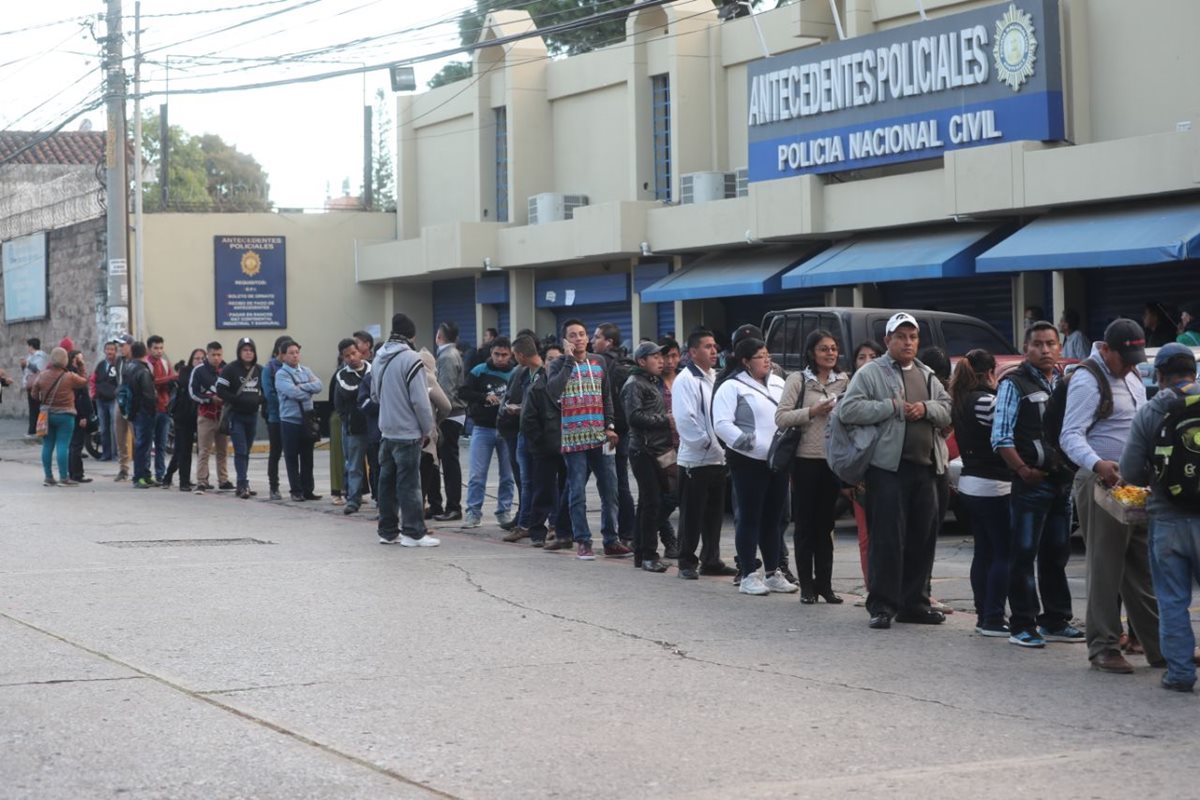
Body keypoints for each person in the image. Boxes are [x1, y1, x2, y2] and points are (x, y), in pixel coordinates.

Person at [838, 312, 952, 629]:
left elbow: (947, 408)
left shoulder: (927, 374)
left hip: (927, 468)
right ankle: (882, 605)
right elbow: (848, 409)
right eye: (900, 336)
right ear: (888, 340)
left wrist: (925, 408)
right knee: (887, 539)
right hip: (887, 469)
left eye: (912, 337)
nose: (907, 342)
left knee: (922, 538)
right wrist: (889, 407)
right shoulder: (871, 373)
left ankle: (914, 603)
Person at [1061, 318, 1160, 674]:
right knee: (1106, 566)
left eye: (1136, 358)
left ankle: (1159, 646)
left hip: (1131, 483)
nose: (1132, 365)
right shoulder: (1089, 379)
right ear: (1106, 349)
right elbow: (1070, 435)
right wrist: (1098, 463)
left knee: (1142, 565)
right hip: (1100, 482)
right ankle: (1103, 646)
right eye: (1126, 357)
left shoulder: (1131, 376)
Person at [991, 321, 1081, 647]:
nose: (1045, 350)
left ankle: (1056, 620)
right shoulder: (1014, 384)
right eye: (1038, 344)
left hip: (1062, 483)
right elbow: (1000, 437)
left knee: (1057, 554)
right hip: (1031, 484)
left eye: (1051, 343)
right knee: (1024, 553)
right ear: (1025, 349)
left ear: (1060, 347)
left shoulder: (1065, 383)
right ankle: (1022, 625)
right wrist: (1022, 470)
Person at [1119, 343, 1200, 692]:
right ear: (1194, 372)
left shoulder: (1152, 410)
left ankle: (1180, 674)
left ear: (1161, 375)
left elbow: (1131, 471)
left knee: (1172, 599)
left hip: (1167, 517)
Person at [711, 337, 796, 596]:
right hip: (748, 461)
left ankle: (772, 572)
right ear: (745, 361)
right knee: (749, 517)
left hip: (777, 460)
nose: (767, 360)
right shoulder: (731, 387)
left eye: (768, 355)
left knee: (773, 518)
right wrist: (748, 443)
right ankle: (748, 573)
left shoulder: (779, 383)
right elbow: (722, 424)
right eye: (760, 356)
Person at [546, 319, 632, 560]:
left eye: (582, 334)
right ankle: (583, 541)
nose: (579, 339)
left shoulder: (600, 361)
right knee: (577, 493)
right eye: (573, 335)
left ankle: (611, 540)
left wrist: (610, 425)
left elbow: (607, 397)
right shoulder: (557, 365)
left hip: (600, 437)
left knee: (610, 490)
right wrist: (568, 362)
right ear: (566, 341)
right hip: (573, 439)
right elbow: (553, 391)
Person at [776, 329, 849, 604]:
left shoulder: (844, 381)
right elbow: (781, 417)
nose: (830, 353)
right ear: (811, 353)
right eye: (823, 349)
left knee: (826, 525)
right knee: (805, 525)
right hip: (805, 460)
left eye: (833, 348)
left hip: (833, 461)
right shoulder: (798, 380)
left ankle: (825, 585)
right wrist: (812, 412)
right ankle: (807, 586)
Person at [950, 349, 1012, 636]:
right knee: (1002, 553)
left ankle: (982, 613)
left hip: (969, 485)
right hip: (994, 486)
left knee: (983, 552)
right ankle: (994, 617)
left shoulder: (961, 401)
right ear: (990, 372)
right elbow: (1009, 432)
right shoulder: (988, 401)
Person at [672, 329, 736, 580]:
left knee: (713, 514)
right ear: (693, 352)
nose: (714, 351)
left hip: (717, 459)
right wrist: (707, 444)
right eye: (707, 346)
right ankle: (686, 561)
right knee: (691, 515)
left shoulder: (714, 376)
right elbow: (685, 420)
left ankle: (711, 559)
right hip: (695, 460)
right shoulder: (686, 380)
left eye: (714, 346)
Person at [372, 313, 439, 547]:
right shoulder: (412, 358)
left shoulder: (379, 356)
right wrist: (426, 429)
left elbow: (374, 395)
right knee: (410, 484)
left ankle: (387, 531)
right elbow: (420, 401)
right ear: (411, 335)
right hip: (408, 432)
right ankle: (413, 533)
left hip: (386, 430)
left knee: (386, 482)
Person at [622, 341, 674, 572]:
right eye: (655, 357)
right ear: (641, 361)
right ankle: (649, 555)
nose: (661, 361)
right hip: (643, 450)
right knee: (652, 501)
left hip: (661, 449)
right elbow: (634, 417)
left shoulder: (653, 382)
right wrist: (666, 420)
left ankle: (642, 551)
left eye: (661, 357)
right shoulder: (634, 384)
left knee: (653, 500)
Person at [459, 336, 517, 529]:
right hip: (483, 428)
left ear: (511, 354)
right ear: (491, 353)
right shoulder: (479, 371)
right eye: (496, 354)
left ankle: (504, 511)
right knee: (477, 474)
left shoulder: (516, 372)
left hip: (507, 430)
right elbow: (463, 392)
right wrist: (484, 397)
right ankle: (473, 513)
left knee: (508, 475)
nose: (500, 358)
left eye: (504, 355)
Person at [520, 337, 572, 548]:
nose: (553, 363)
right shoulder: (537, 389)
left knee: (567, 490)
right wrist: (540, 443)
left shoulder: (572, 387)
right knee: (542, 490)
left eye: (558, 359)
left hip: (568, 447)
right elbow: (528, 421)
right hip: (545, 449)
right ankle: (537, 531)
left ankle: (562, 530)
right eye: (549, 359)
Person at [592, 322, 637, 546]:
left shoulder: (606, 365)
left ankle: (626, 532)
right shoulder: (622, 363)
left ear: (609, 341)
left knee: (615, 483)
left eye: (597, 336)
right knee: (619, 482)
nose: (592, 340)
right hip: (619, 431)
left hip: (610, 433)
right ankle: (628, 532)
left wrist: (609, 427)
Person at [848, 340, 885, 589]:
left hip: (890, 471)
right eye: (862, 357)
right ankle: (872, 587)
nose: (868, 362)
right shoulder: (849, 396)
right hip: (861, 474)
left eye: (873, 356)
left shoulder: (890, 389)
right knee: (867, 536)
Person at [502, 334, 540, 542]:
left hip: (538, 437)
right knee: (526, 482)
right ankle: (525, 522)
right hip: (523, 433)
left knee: (537, 482)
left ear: (520, 355)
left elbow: (543, 406)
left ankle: (530, 523)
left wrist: (521, 409)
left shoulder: (543, 374)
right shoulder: (526, 374)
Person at [31, 347, 87, 486]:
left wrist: (43, 400)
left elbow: (33, 394)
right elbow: (84, 381)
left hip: (47, 415)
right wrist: (81, 365)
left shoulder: (42, 375)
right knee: (63, 445)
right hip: (65, 415)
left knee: (47, 445)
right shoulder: (69, 377)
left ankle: (48, 477)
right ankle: (63, 477)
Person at [216, 337, 264, 499]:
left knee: (246, 451)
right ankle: (242, 484)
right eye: (245, 350)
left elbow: (267, 391)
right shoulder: (230, 369)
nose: (248, 353)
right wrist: (237, 400)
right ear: (239, 352)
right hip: (236, 416)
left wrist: (259, 400)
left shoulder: (259, 370)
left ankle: (243, 482)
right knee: (240, 450)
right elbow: (220, 390)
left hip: (253, 415)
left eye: (251, 350)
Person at [276, 341, 323, 502]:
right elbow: (292, 392)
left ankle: (308, 489)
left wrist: (302, 386)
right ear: (283, 356)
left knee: (307, 456)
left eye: (297, 352)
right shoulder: (281, 374)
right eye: (291, 352)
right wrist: (307, 389)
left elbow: (319, 385)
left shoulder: (306, 370)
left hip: (307, 419)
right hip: (290, 420)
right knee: (291, 456)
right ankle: (295, 490)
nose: (295, 355)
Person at [433, 321, 467, 521]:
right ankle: (444, 505)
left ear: (440, 336)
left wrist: (437, 417)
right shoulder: (453, 354)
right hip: (454, 413)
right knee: (446, 460)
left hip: (450, 414)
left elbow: (445, 390)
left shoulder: (446, 356)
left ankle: (453, 506)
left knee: (449, 461)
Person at [334, 338, 371, 514]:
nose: (351, 358)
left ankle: (380, 500)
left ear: (360, 352)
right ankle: (353, 500)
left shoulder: (373, 369)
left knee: (379, 464)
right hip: (354, 427)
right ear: (342, 358)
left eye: (353, 353)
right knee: (354, 465)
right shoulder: (342, 375)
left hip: (375, 426)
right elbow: (349, 392)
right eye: (346, 356)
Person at [189, 342, 231, 493]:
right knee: (204, 450)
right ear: (208, 355)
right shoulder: (199, 371)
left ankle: (224, 479)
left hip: (223, 415)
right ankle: (202, 480)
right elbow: (193, 393)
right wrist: (209, 399)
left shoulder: (227, 369)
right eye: (213, 355)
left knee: (223, 450)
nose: (217, 358)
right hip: (206, 416)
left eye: (219, 354)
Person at [163, 349, 204, 492]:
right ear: (191, 360)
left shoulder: (205, 372)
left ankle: (200, 479)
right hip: (184, 415)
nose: (199, 361)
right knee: (183, 450)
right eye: (196, 358)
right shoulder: (186, 372)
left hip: (199, 416)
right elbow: (188, 384)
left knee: (198, 450)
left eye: (202, 358)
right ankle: (182, 481)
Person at [655, 337, 682, 557]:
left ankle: (675, 543)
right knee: (667, 496)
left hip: (686, 446)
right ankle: (669, 540)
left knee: (680, 496)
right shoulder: (651, 382)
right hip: (662, 447)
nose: (669, 361)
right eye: (665, 356)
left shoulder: (685, 379)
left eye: (673, 355)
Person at [260, 336, 293, 501]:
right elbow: (269, 394)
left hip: (294, 418)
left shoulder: (295, 367)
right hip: (276, 417)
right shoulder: (270, 369)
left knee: (293, 453)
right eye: (287, 351)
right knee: (276, 453)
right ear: (279, 351)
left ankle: (298, 487)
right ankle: (274, 487)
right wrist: (289, 400)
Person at [124, 342, 158, 489]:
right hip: (144, 411)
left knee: (142, 444)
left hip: (133, 409)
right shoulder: (143, 371)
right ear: (145, 353)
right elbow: (148, 394)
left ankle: (145, 474)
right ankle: (139, 477)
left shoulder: (128, 368)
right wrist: (152, 409)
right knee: (143, 445)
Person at [145, 335, 177, 484]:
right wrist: (171, 378)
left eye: (161, 348)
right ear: (149, 349)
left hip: (164, 407)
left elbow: (169, 380)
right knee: (146, 444)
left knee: (161, 444)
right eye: (156, 348)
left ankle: (160, 474)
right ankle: (146, 474)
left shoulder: (165, 363)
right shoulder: (146, 364)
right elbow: (151, 382)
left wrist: (170, 380)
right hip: (150, 409)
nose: (159, 351)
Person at [66, 351, 94, 484]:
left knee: (72, 445)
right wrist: (83, 416)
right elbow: (80, 397)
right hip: (78, 413)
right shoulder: (75, 376)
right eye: (80, 360)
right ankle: (76, 474)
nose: (83, 362)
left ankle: (72, 472)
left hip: (72, 412)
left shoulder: (68, 374)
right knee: (76, 445)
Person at [111, 334, 135, 481]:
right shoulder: (119, 361)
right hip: (120, 401)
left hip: (133, 402)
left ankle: (141, 468)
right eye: (119, 346)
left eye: (123, 345)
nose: (120, 348)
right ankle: (123, 468)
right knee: (120, 436)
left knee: (137, 436)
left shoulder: (137, 360)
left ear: (131, 346)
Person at [92, 340, 119, 462]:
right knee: (103, 428)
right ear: (104, 351)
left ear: (115, 351)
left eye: (112, 349)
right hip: (101, 400)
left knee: (115, 427)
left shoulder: (119, 364)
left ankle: (116, 454)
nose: (110, 352)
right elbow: (94, 379)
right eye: (108, 349)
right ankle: (106, 453)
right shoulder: (101, 365)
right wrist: (94, 393)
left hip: (113, 399)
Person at [21, 337, 49, 438]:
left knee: (36, 408)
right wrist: (23, 366)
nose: (27, 348)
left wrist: (27, 364)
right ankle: (33, 430)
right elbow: (26, 372)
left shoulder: (41, 356)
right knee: (33, 408)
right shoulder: (30, 356)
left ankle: (35, 430)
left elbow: (38, 369)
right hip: (30, 385)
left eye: (28, 346)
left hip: (37, 385)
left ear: (31, 346)